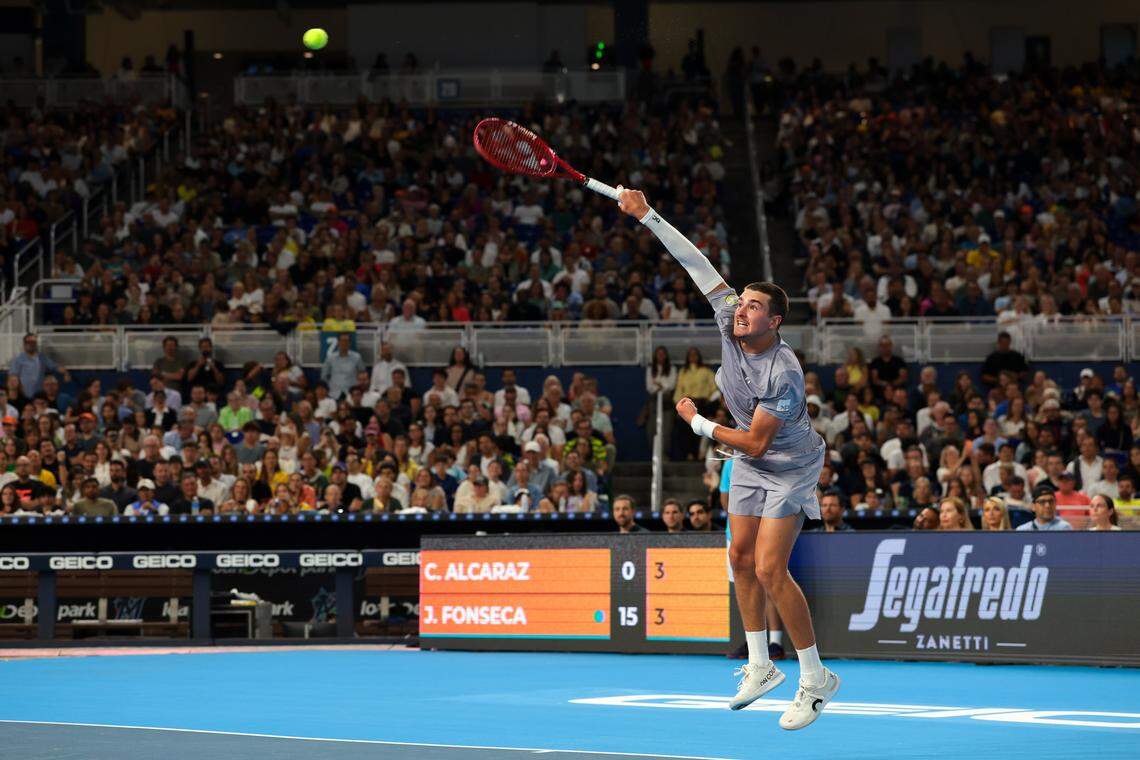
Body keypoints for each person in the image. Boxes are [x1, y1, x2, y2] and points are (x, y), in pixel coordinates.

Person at [619, 186, 838, 729]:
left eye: (754, 306)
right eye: (741, 302)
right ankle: (760, 666)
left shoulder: (783, 373)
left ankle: (815, 679)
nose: (741, 309)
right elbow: (695, 261)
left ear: (775, 322)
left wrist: (696, 421)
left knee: (769, 567)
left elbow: (758, 444)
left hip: (789, 465)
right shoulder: (728, 319)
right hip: (746, 455)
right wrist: (649, 215)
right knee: (738, 559)